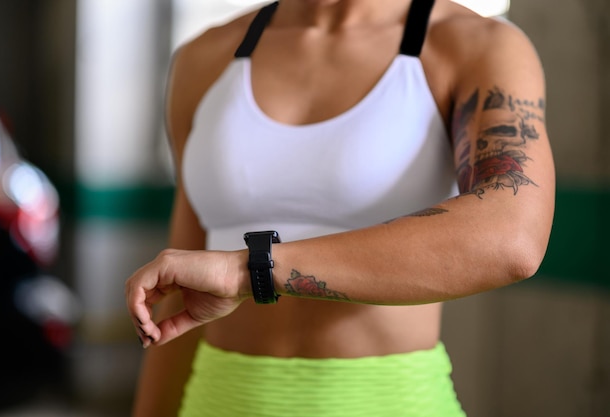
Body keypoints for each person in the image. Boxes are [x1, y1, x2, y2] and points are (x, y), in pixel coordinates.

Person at [126, 0, 555, 415]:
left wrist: (248, 269)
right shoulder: (205, 57)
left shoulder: (473, 44)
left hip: (388, 403)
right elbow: (177, 291)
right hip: (216, 400)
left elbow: (512, 236)